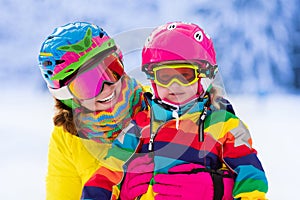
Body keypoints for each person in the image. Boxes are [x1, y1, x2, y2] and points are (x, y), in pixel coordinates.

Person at [119, 22, 268, 200]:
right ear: (152, 79)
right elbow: (107, 173)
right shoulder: (139, 124)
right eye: (164, 76)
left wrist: (217, 189)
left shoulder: (225, 126)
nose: (174, 85)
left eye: (185, 75)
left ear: (202, 75)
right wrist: (123, 190)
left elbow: (250, 176)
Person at [38, 22, 148, 199]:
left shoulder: (160, 108)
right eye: (87, 84)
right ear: (68, 97)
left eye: (112, 70)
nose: (107, 88)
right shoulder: (67, 138)